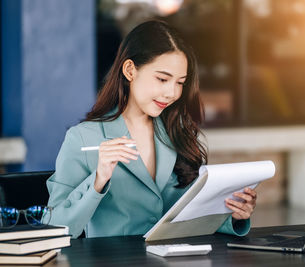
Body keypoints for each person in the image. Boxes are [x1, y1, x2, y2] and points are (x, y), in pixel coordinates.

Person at [46, 20, 257, 238]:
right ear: (130, 70)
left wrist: (232, 215)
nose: (171, 93)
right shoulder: (82, 138)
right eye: (162, 79)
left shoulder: (178, 130)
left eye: (179, 83)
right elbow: (54, 228)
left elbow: (185, 212)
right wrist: (98, 179)